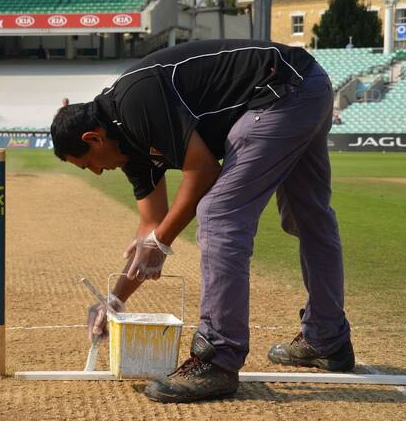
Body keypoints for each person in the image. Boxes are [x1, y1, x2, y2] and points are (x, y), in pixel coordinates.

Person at [51, 39, 354, 403]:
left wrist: (161, 241)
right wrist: (114, 300)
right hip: (306, 84)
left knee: (219, 213)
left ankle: (218, 358)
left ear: (93, 138)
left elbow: (203, 171)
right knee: (309, 217)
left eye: (89, 164)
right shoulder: (125, 145)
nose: (97, 172)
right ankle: (327, 339)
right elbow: (152, 226)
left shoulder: (134, 102)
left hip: (282, 90)